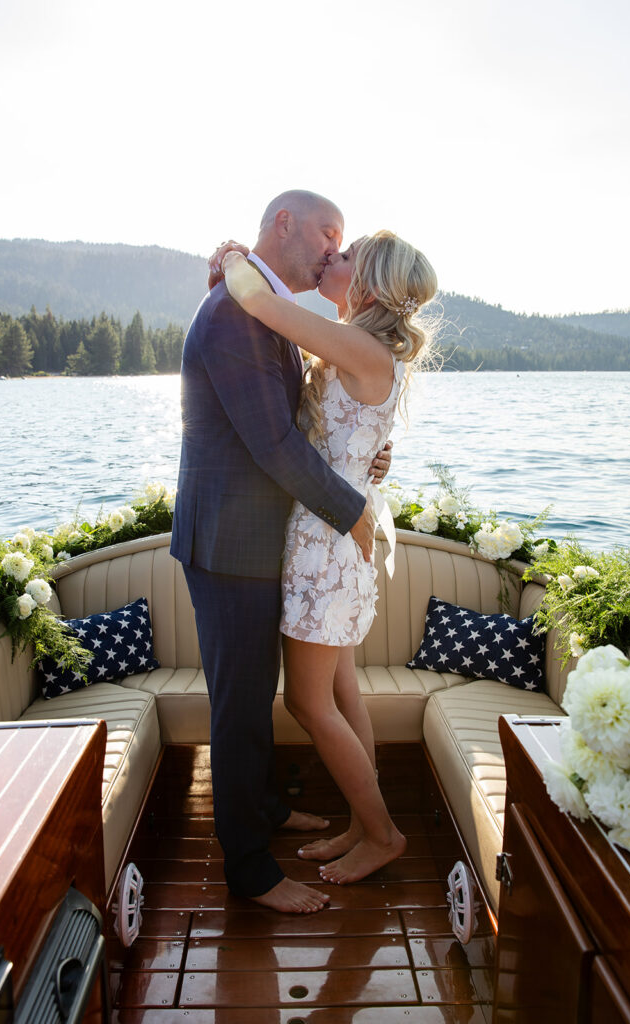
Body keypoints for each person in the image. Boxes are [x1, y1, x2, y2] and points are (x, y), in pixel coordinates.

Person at [170, 190, 392, 914]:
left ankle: (263, 809)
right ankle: (250, 868)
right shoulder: (239, 309)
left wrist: (364, 461)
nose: (335, 249)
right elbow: (271, 442)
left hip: (267, 542)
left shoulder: (261, 301)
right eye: (327, 232)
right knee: (239, 706)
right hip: (229, 542)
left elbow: (309, 420)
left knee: (261, 695)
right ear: (283, 224)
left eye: (344, 241)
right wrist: (350, 508)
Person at [221, 229, 438, 884]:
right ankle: (360, 824)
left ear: (365, 283)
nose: (329, 260)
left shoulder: (359, 345)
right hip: (334, 544)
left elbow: (263, 306)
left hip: (324, 551)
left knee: (308, 705)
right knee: (342, 695)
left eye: (342, 258)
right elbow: (352, 441)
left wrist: (233, 258)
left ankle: (381, 833)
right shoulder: (369, 350)